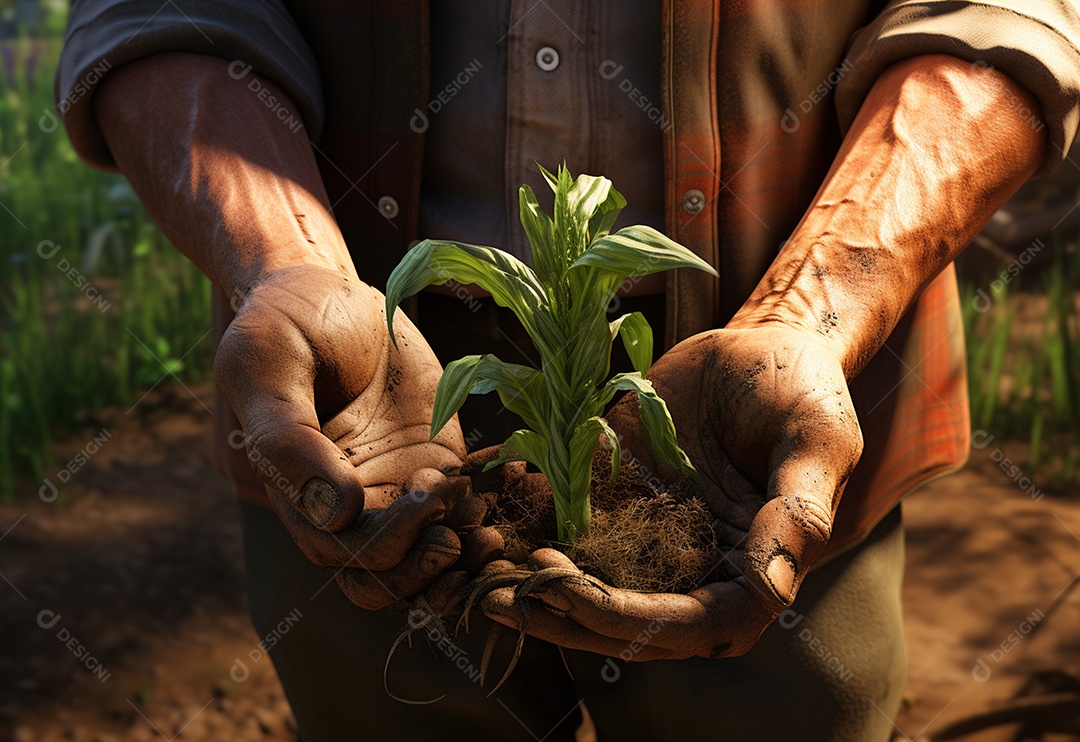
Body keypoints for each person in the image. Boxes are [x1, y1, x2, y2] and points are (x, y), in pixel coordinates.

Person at [56, 1, 1080, 739]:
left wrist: (812, 310)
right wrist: (285, 264)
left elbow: (1001, 13)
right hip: (365, 395)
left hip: (775, 380)